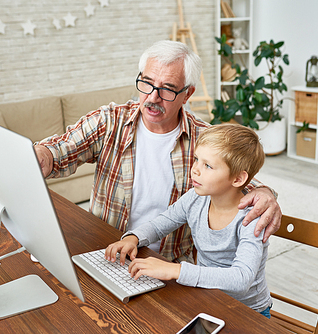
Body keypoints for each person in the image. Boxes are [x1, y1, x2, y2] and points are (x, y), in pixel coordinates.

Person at [34, 40, 281, 263]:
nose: (153, 97)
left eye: (168, 89)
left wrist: (265, 193)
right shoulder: (109, 121)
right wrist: (43, 154)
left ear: (187, 94)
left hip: (169, 265)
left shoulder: (204, 139)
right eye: (147, 83)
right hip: (104, 251)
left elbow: (240, 179)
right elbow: (59, 151)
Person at [105, 124, 272, 318]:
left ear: (237, 179)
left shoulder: (252, 219)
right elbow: (160, 224)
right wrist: (133, 238)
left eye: (207, 165)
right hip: (206, 298)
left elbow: (241, 279)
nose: (195, 170)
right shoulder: (195, 198)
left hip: (248, 313)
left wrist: (174, 270)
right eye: (196, 159)